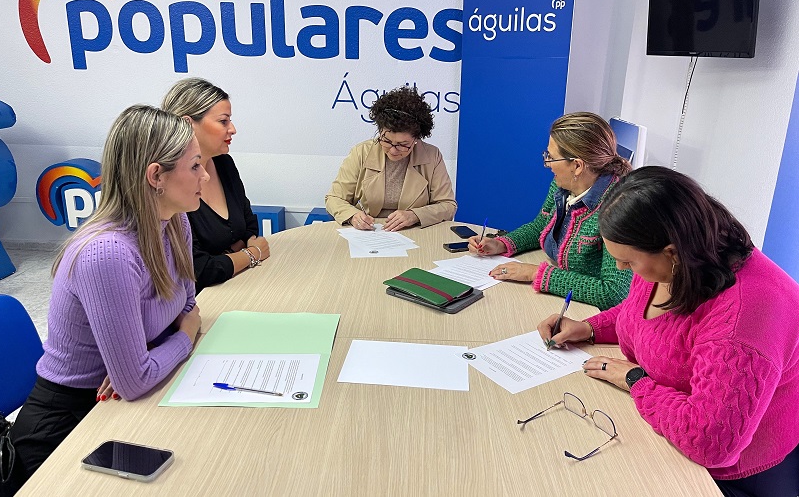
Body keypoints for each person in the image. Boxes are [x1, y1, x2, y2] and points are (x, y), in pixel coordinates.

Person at [538, 166, 799, 496]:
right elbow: (645, 317)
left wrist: (636, 381)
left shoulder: (743, 319)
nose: (620, 268)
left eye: (628, 262)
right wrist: (589, 328)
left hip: (734, 474)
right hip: (669, 434)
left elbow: (711, 442)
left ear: (672, 252)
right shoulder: (682, 259)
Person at [5, 105, 205, 495]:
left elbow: (187, 305)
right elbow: (138, 377)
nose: (206, 175)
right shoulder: (107, 253)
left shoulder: (176, 221)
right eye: (195, 166)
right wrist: (182, 338)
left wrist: (148, 354)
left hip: (115, 403)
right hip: (67, 424)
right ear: (156, 177)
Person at [468, 112, 632, 310]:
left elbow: (613, 292)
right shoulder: (562, 185)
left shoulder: (619, 208)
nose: (546, 164)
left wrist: (537, 274)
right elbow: (542, 225)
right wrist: (501, 244)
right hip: (558, 300)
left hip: (587, 313)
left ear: (577, 166)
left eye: (551, 158)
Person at [162, 78, 269, 294]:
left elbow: (249, 226)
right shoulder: (170, 184)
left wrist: (228, 257)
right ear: (188, 124)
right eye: (223, 121)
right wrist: (250, 254)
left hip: (240, 285)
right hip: (200, 303)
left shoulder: (224, 162)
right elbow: (200, 270)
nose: (233, 129)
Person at [325, 85, 457, 231]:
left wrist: (414, 215)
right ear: (380, 131)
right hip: (366, 233)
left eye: (402, 144)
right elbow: (334, 198)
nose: (393, 150)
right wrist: (353, 215)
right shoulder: (361, 152)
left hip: (414, 233)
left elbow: (448, 205)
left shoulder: (432, 156)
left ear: (416, 139)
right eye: (386, 141)